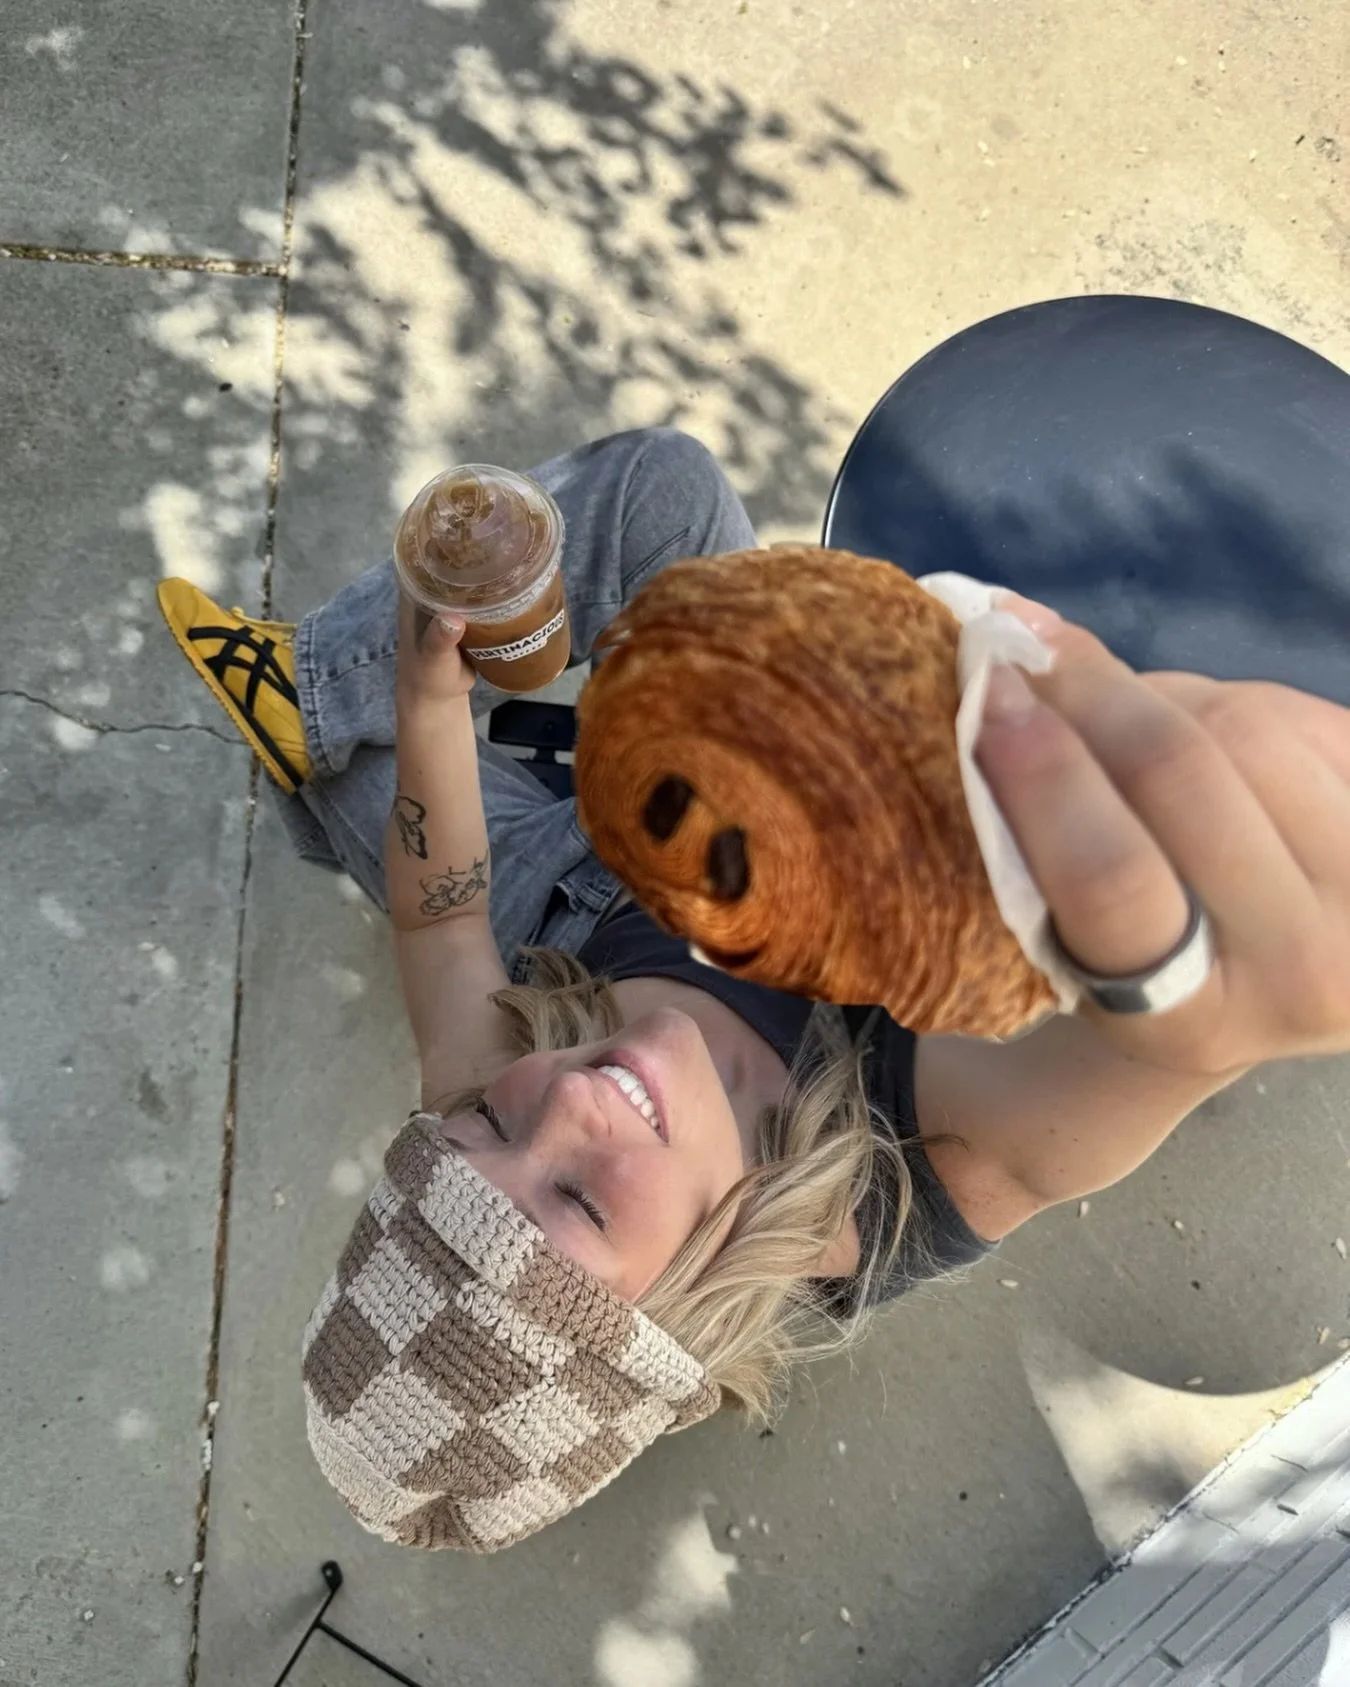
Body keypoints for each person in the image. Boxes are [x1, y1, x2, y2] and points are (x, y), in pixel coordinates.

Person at [157, 427, 1350, 1551]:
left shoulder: (502, 1089)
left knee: (656, 492)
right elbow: (1138, 1060)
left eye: (485, 1120)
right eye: (578, 1202)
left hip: (575, 909)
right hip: (815, 850)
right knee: (339, 796)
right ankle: (321, 759)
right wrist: (1195, 1006)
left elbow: (440, 911)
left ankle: (320, 692)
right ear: (674, 1309)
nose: (559, 1104)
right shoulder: (917, 1163)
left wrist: (423, 693)